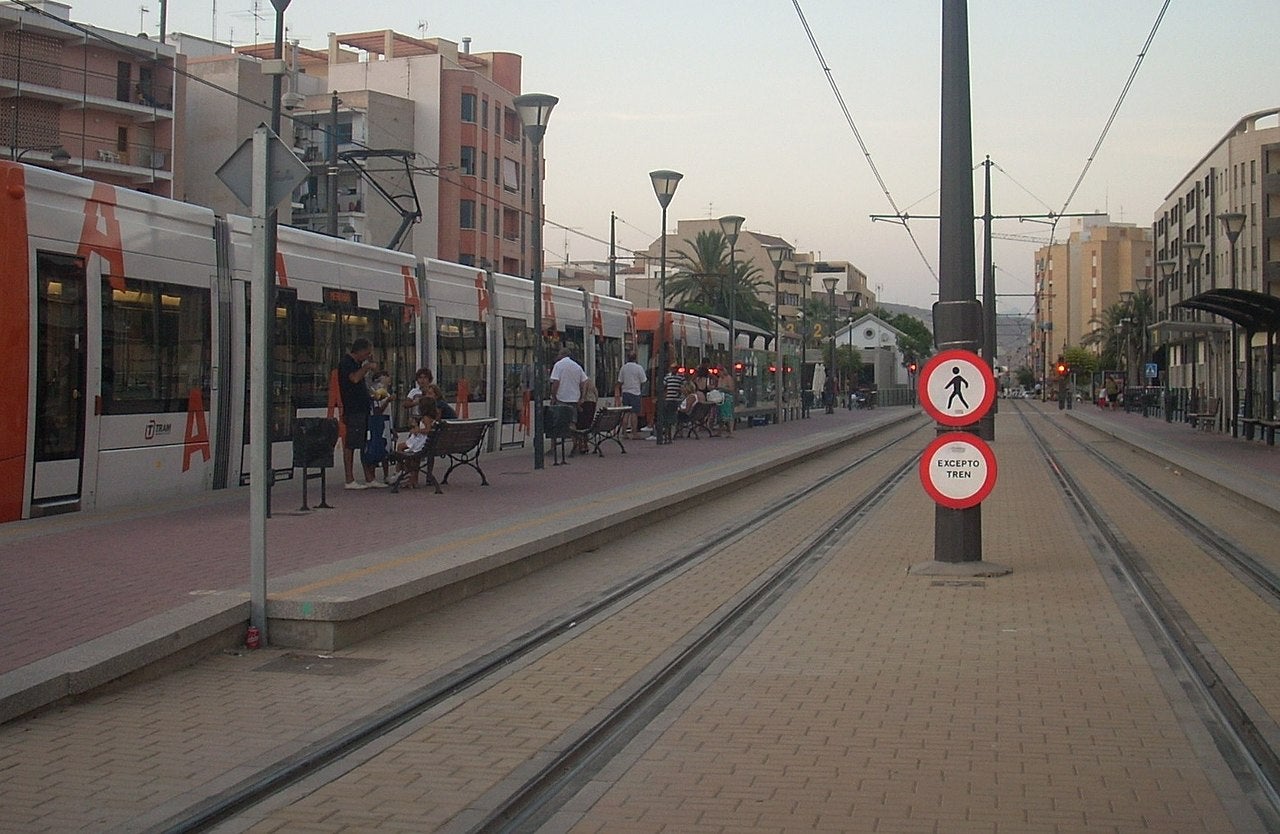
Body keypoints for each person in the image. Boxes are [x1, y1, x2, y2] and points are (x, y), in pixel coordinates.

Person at [338, 337, 387, 489]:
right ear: (359, 351)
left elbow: (366, 379)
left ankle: (369, 477)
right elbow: (353, 379)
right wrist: (366, 367)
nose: (368, 356)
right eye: (367, 353)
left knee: (364, 443)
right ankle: (349, 479)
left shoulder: (358, 364)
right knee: (351, 443)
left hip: (363, 408)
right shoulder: (347, 363)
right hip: (353, 409)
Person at [392, 400, 439, 489]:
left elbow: (428, 430)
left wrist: (418, 430)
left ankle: (401, 472)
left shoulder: (426, 418)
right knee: (411, 457)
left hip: (421, 442)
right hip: (425, 442)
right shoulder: (432, 417)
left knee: (401, 447)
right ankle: (412, 479)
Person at [367, 370, 394, 484]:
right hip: (379, 422)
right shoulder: (379, 392)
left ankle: (385, 475)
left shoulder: (384, 392)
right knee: (378, 447)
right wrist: (387, 400)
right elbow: (378, 410)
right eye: (385, 376)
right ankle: (376, 475)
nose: (388, 379)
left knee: (385, 449)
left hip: (386, 422)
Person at [617, 352, 646, 439]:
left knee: (626, 413)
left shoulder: (624, 367)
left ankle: (624, 432)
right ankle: (634, 433)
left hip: (625, 392)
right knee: (634, 413)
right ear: (635, 358)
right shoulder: (639, 368)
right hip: (635, 392)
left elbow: (620, 381)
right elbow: (643, 380)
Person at [658, 363, 685, 444]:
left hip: (672, 400)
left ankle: (669, 436)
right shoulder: (676, 378)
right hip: (670, 400)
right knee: (670, 417)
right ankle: (669, 435)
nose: (674, 370)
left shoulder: (671, 377)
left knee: (670, 417)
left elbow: (663, 387)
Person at [575, 377, 599, 454]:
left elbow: (583, 392)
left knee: (580, 425)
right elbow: (596, 393)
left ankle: (581, 444)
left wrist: (581, 400)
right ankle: (586, 444)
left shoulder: (584, 382)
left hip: (585, 404)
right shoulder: (591, 381)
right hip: (592, 403)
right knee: (587, 425)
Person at [716, 364, 737, 435]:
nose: (718, 373)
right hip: (720, 398)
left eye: (719, 371)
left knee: (728, 414)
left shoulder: (728, 378)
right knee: (720, 415)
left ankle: (731, 431)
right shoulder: (720, 379)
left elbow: (731, 389)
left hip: (727, 398)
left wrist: (724, 389)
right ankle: (720, 431)